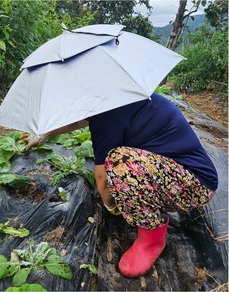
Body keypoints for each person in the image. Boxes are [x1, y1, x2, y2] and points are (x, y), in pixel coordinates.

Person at [19, 92, 218, 278]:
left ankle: (151, 238)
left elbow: (101, 177)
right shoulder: (120, 97)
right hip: (175, 175)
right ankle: (149, 206)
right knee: (121, 166)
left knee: (118, 163)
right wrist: (45, 132)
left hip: (195, 186)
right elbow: (82, 121)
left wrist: (113, 207)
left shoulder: (109, 113)